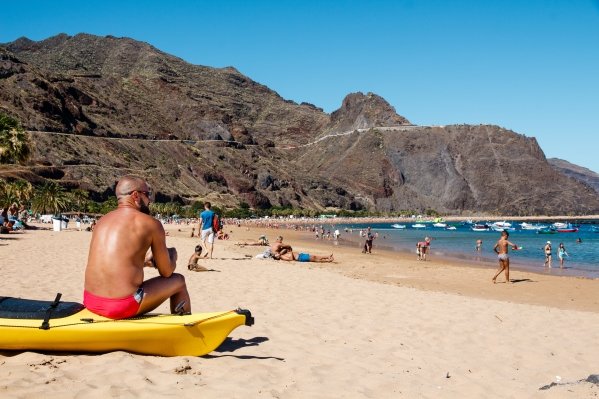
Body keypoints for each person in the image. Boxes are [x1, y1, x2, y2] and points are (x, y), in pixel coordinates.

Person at [84, 175, 191, 319]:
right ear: (135, 195)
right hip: (120, 305)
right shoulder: (151, 223)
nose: (150, 200)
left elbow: (115, 262)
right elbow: (166, 272)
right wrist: (172, 255)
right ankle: (185, 330)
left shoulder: (102, 221)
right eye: (147, 195)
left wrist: (146, 262)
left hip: (90, 300)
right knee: (178, 281)